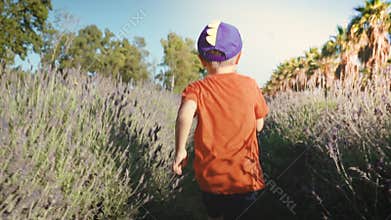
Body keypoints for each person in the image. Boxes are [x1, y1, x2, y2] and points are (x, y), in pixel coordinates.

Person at [172, 20, 269, 220]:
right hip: (246, 179)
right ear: (239, 56)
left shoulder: (196, 89)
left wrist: (180, 149)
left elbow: (184, 115)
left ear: (201, 60)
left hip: (211, 181)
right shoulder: (250, 85)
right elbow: (259, 126)